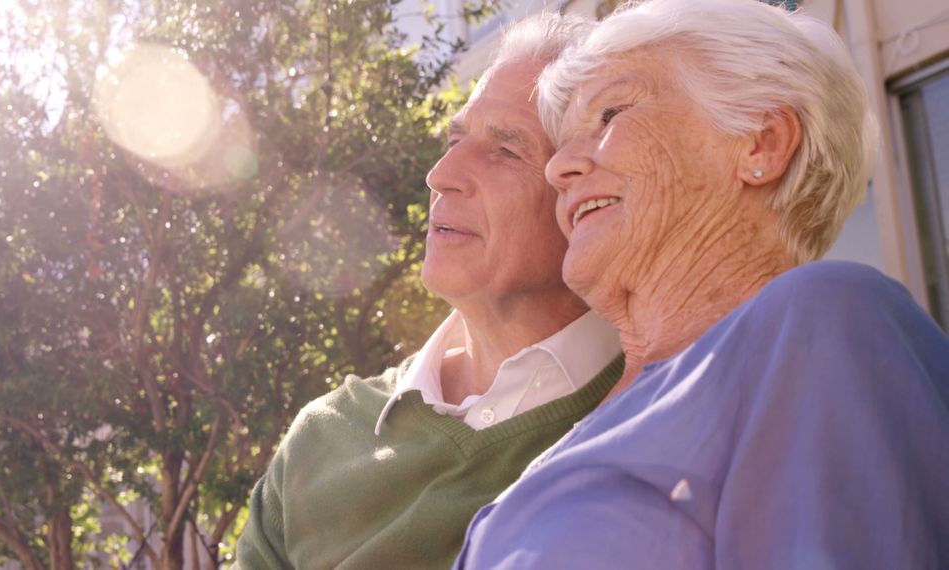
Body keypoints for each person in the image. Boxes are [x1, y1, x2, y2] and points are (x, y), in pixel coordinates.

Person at [454, 0, 949, 567]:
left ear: (762, 143)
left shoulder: (824, 319)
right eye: (565, 138)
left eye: (610, 115)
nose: (558, 167)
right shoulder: (595, 418)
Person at [233, 13, 621, 570]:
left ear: (588, 195)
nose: (441, 173)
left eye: (507, 150)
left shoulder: (660, 415)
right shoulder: (324, 435)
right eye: (454, 139)